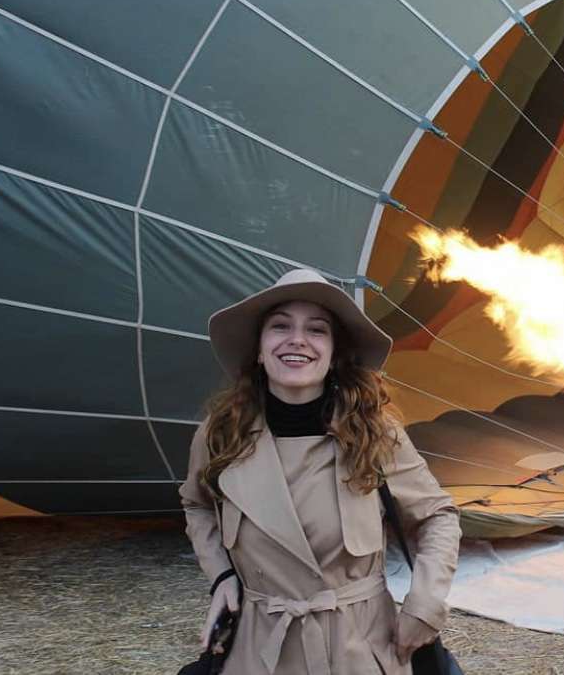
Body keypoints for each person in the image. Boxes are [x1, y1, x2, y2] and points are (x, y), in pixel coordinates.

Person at [180, 269, 461, 674]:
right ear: (259, 349)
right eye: (280, 326)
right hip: (259, 649)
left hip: (361, 647)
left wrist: (426, 604)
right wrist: (222, 575)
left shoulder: (376, 433)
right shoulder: (220, 434)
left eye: (317, 330)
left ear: (333, 355)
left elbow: (437, 516)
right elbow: (197, 505)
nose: (297, 339)